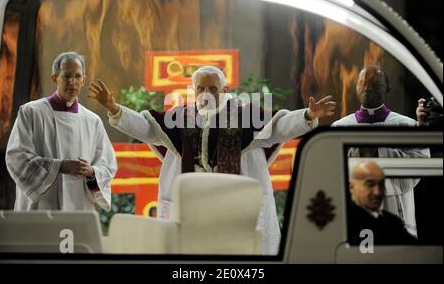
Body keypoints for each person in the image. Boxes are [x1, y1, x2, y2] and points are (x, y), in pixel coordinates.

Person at [88, 65, 337, 255]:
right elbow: (146, 128)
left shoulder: (246, 115)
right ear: (193, 90)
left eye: (213, 88)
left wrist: (307, 115)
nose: (206, 93)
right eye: (201, 88)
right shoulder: (181, 117)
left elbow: (280, 126)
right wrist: (114, 108)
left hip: (235, 203)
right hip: (193, 204)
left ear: (225, 90)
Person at [6, 52, 117, 211]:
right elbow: (16, 158)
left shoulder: (92, 121)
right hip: (40, 208)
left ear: (84, 80)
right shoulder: (31, 112)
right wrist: (59, 167)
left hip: (78, 206)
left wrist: (92, 172)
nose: (72, 82)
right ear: (55, 78)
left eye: (78, 76)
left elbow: (108, 165)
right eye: (66, 76)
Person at [332, 65, 429, 237]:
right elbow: (331, 175)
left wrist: (372, 151)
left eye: (375, 83)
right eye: (362, 82)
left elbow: (420, 165)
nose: (368, 87)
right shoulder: (339, 128)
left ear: (388, 89)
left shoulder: (407, 126)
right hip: (354, 214)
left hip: (396, 212)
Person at [348, 161, 416, 245]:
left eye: (381, 184)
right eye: (370, 184)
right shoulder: (346, 219)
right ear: (352, 187)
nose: (377, 192)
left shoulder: (393, 222)